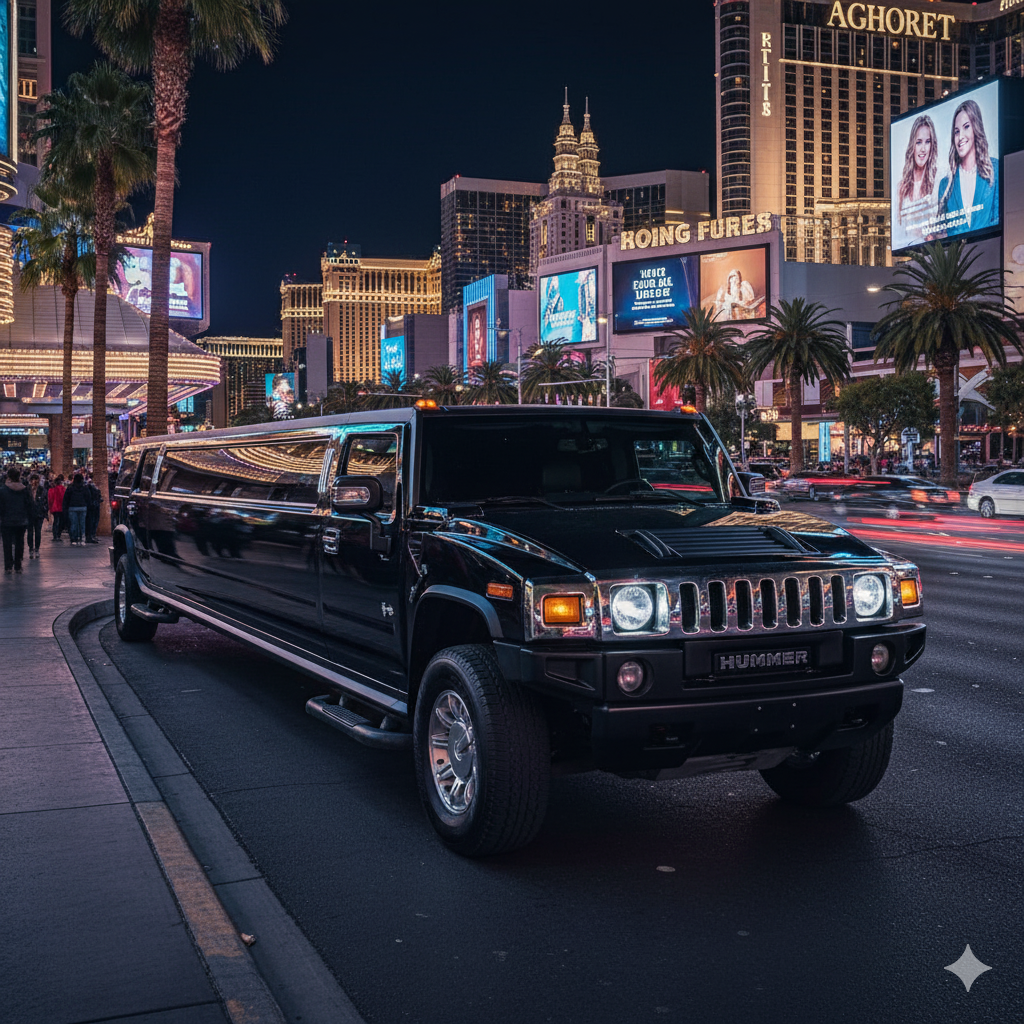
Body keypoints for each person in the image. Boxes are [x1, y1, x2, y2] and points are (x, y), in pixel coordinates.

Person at [937, 99, 999, 238]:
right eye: (956, 131)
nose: (960, 137)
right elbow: (942, 234)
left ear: (976, 128)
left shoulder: (994, 169)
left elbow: (999, 218)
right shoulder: (945, 185)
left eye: (966, 127)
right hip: (958, 252)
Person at [893, 115, 938, 249]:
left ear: (932, 146)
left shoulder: (938, 182)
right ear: (912, 145)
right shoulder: (900, 188)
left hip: (933, 253)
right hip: (908, 255)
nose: (923, 149)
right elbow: (898, 235)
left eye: (927, 142)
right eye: (918, 142)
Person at [0, 466, 33, 573]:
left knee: (7, 544)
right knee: (19, 542)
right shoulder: (24, 490)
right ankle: (18, 565)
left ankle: (8, 566)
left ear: (8, 477)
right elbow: (29, 505)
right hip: (21, 520)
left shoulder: (3, 490)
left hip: (6, 521)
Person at [63, 472, 89, 546]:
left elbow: (66, 498)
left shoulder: (70, 488)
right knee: (82, 524)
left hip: (72, 507)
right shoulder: (84, 488)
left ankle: (74, 539)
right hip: (83, 507)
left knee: (74, 524)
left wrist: (66, 507)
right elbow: (88, 497)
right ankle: (82, 538)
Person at [26, 473, 48, 559]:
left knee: (38, 532)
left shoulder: (42, 490)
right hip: (29, 513)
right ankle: (31, 548)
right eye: (32, 480)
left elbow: (45, 501)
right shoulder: (27, 490)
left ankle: (37, 549)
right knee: (30, 532)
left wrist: (44, 510)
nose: (34, 482)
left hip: (39, 514)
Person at [84, 472, 102, 544]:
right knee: (92, 521)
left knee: (94, 521)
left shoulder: (91, 486)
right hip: (93, 506)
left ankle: (92, 535)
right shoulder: (90, 486)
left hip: (93, 505)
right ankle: (90, 536)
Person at [48, 473, 66, 541]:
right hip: (62, 507)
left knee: (56, 521)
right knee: (61, 521)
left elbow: (50, 500)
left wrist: (50, 508)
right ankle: (58, 534)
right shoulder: (63, 489)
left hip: (55, 507)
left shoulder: (52, 490)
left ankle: (55, 536)